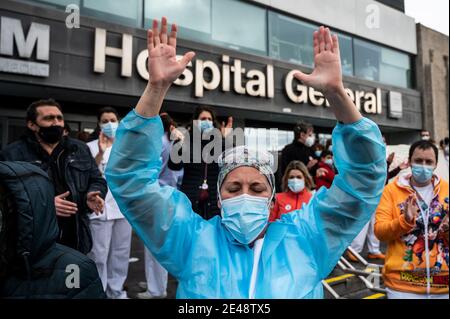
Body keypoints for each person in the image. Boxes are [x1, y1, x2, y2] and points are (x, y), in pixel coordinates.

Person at [105, 19, 387, 298]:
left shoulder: (307, 239)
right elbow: (131, 182)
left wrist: (337, 94)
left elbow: (363, 181)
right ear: (218, 198)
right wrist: (155, 89)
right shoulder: (192, 242)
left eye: (256, 188)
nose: (245, 196)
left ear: (271, 197)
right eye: (233, 188)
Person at [0, 99, 106, 254]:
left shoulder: (79, 149)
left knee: (73, 277)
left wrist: (93, 193)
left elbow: (96, 179)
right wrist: (45, 205)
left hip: (75, 240)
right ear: (32, 125)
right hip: (32, 243)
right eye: (49, 118)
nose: (56, 123)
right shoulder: (12, 154)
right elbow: (5, 199)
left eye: (59, 118)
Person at [0, 161, 105, 299]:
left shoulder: (77, 271)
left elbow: (96, 178)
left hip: (63, 234)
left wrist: (86, 195)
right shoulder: (14, 153)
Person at [375, 140, 449, 299]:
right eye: (418, 161)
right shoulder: (391, 191)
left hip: (443, 285)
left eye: (429, 162)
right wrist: (404, 221)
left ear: (436, 164)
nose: (423, 166)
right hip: (402, 286)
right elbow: (380, 232)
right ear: (409, 162)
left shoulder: (447, 190)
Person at [137, 112, 184, 299]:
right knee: (159, 245)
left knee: (154, 246)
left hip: (156, 197)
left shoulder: (157, 145)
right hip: (170, 196)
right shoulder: (174, 143)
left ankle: (156, 289)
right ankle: (154, 283)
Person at [86, 106, 131, 299]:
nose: (110, 124)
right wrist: (100, 154)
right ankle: (99, 291)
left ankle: (116, 290)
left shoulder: (127, 146)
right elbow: (87, 173)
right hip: (100, 206)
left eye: (113, 120)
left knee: (120, 254)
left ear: (119, 122)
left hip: (123, 206)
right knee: (99, 255)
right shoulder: (90, 147)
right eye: (105, 121)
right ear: (99, 124)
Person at [169, 105, 233, 220]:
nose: (207, 122)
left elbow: (231, 163)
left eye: (209, 119)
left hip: (214, 203)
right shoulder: (187, 141)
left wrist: (226, 139)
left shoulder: (219, 143)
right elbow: (174, 166)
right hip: (190, 200)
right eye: (203, 119)